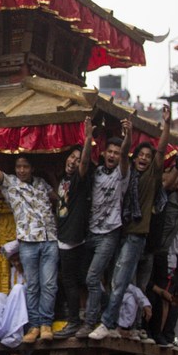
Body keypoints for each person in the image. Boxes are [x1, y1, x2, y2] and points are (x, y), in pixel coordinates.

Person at [91, 107, 170, 340]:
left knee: (120, 280)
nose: (144, 159)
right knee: (111, 280)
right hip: (117, 231)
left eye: (148, 156)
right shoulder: (125, 175)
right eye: (141, 155)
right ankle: (120, 325)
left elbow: (163, 149)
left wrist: (167, 126)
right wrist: (128, 136)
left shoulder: (151, 176)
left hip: (136, 234)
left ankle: (107, 323)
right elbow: (123, 156)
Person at [0, 150, 57, 342]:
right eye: (19, 167)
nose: (22, 170)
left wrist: (51, 175)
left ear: (32, 168)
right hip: (27, 241)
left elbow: (57, 198)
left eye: (25, 166)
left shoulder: (42, 183)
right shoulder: (10, 183)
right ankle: (34, 326)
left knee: (49, 284)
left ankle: (46, 324)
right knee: (32, 285)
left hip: (49, 238)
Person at [77, 119, 132, 339]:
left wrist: (128, 135)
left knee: (92, 278)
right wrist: (88, 137)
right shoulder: (97, 172)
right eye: (109, 152)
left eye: (116, 153)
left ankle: (90, 324)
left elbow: (127, 154)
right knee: (82, 276)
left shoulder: (122, 174)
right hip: (90, 232)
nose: (112, 156)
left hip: (109, 233)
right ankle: (113, 312)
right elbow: (81, 165)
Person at [53, 119, 93, 339]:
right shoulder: (63, 180)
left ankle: (76, 321)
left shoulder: (79, 178)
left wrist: (87, 139)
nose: (74, 161)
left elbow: (86, 163)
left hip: (74, 238)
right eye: (71, 156)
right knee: (73, 279)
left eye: (77, 160)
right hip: (63, 236)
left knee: (76, 280)